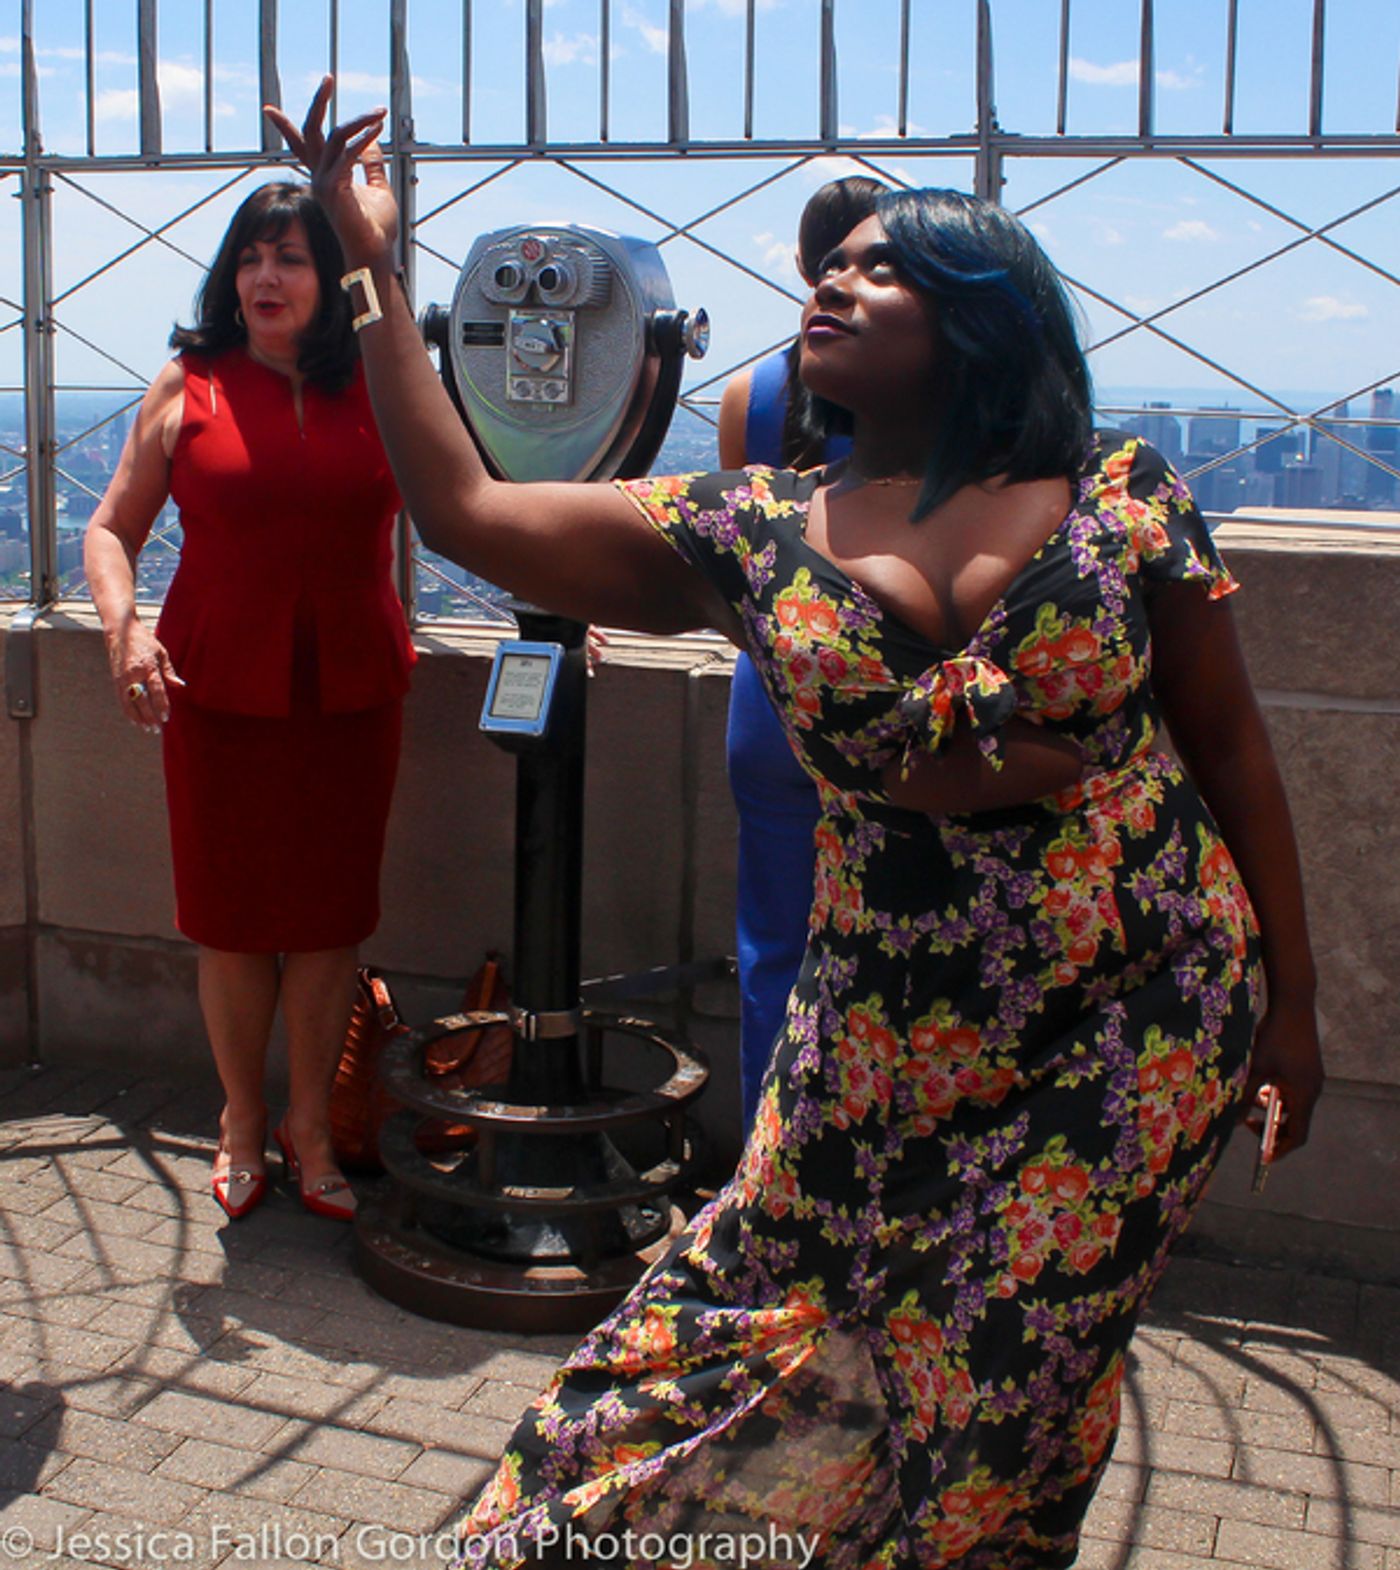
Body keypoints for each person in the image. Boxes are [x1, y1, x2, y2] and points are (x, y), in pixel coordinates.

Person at [269, 80, 1324, 1569]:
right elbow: (463, 513)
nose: (831, 277)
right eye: (830, 265)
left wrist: (1296, 1001)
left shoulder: (1126, 500)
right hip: (879, 1053)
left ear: (981, 315)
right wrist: (374, 261)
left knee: (997, 1393)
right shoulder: (749, 530)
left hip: (1137, 1026)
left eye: (881, 266)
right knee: (700, 1363)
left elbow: (1231, 748)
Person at [84, 181, 415, 1224]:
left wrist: (566, 598)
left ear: (332, 278)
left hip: (353, 686)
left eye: (292, 258)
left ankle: (307, 1124)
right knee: (231, 924)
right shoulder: (189, 383)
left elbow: (484, 497)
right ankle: (239, 1118)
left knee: (327, 924)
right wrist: (124, 626)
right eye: (249, 259)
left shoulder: (385, 378)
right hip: (217, 686)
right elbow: (108, 531)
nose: (266, 278)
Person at [717, 178, 879, 1134]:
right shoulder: (929, 390)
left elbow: (738, 562)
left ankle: (759, 1176)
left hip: (772, 694)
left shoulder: (754, 393)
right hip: (888, 700)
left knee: (774, 949)